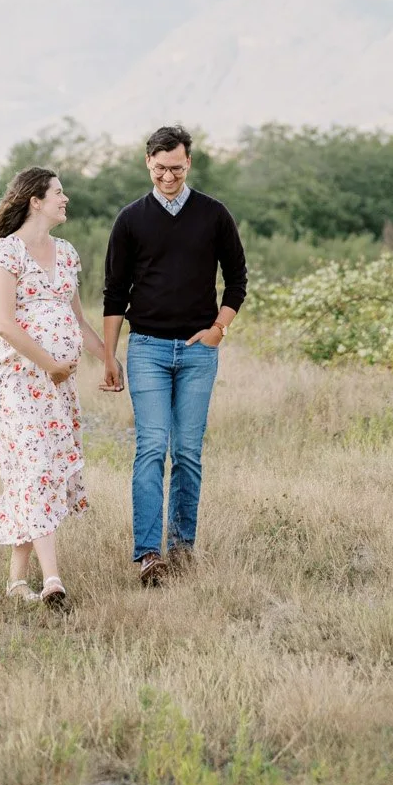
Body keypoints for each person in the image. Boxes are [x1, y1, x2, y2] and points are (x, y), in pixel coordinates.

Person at [102, 125, 248, 586]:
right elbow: (113, 294)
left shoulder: (214, 214)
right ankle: (149, 554)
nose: (168, 176)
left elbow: (238, 280)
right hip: (145, 348)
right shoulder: (130, 220)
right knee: (150, 449)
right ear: (148, 162)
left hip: (198, 352)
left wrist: (218, 329)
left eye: (177, 168)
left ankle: (183, 548)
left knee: (186, 452)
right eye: (161, 168)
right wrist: (109, 356)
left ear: (189, 164)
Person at [0, 165, 107, 609]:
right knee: (34, 467)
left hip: (58, 385)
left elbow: (78, 320)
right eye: (58, 192)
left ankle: (16, 584)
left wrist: (108, 359)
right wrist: (50, 364)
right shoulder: (6, 255)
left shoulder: (68, 254)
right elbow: (5, 324)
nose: (65, 198)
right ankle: (53, 581)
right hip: (19, 382)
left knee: (39, 474)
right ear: (35, 200)